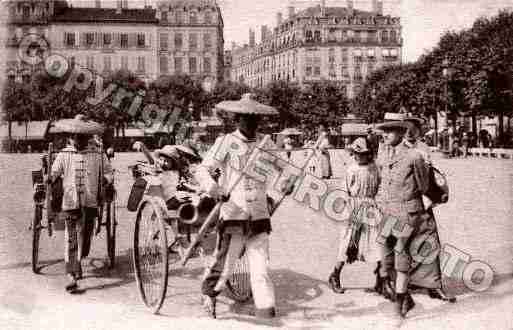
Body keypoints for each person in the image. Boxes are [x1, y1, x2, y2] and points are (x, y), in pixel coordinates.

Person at [195, 94, 291, 319]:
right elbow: (202, 170)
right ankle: (209, 293)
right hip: (234, 213)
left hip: (259, 213)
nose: (251, 122)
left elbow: (284, 170)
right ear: (237, 119)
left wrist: (287, 182)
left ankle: (265, 312)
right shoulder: (226, 142)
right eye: (246, 118)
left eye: (255, 118)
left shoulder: (266, 144)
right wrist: (214, 188)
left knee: (260, 268)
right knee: (226, 266)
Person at [375, 115, 429, 325]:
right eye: (384, 132)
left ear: (400, 132)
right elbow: (383, 185)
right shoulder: (386, 157)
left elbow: (424, 186)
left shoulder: (414, 156)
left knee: (401, 258)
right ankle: (405, 296)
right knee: (385, 262)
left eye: (390, 131)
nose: (385, 135)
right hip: (388, 213)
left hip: (407, 213)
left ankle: (398, 309)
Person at [48, 116, 112, 293]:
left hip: (90, 202)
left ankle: (78, 261)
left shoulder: (98, 154)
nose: (78, 140)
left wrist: (106, 180)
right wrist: (50, 177)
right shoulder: (64, 154)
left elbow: (108, 172)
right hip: (70, 201)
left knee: (85, 236)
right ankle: (71, 275)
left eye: (82, 137)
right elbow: (54, 173)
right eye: (75, 137)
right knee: (71, 237)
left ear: (88, 137)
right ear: (71, 137)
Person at [403, 116, 456, 303]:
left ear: (419, 130)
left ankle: (433, 285)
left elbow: (431, 175)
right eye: (406, 128)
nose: (410, 132)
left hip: (423, 202)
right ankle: (401, 283)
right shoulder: (395, 148)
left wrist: (435, 192)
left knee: (430, 239)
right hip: (403, 202)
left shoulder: (423, 148)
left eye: (414, 128)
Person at [328, 138, 380, 294]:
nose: (358, 156)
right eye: (356, 153)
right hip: (354, 206)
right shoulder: (351, 169)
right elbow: (344, 191)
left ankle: (381, 280)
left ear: (368, 154)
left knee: (376, 243)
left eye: (362, 154)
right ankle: (335, 275)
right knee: (348, 243)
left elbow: (379, 186)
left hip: (371, 207)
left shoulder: (374, 168)